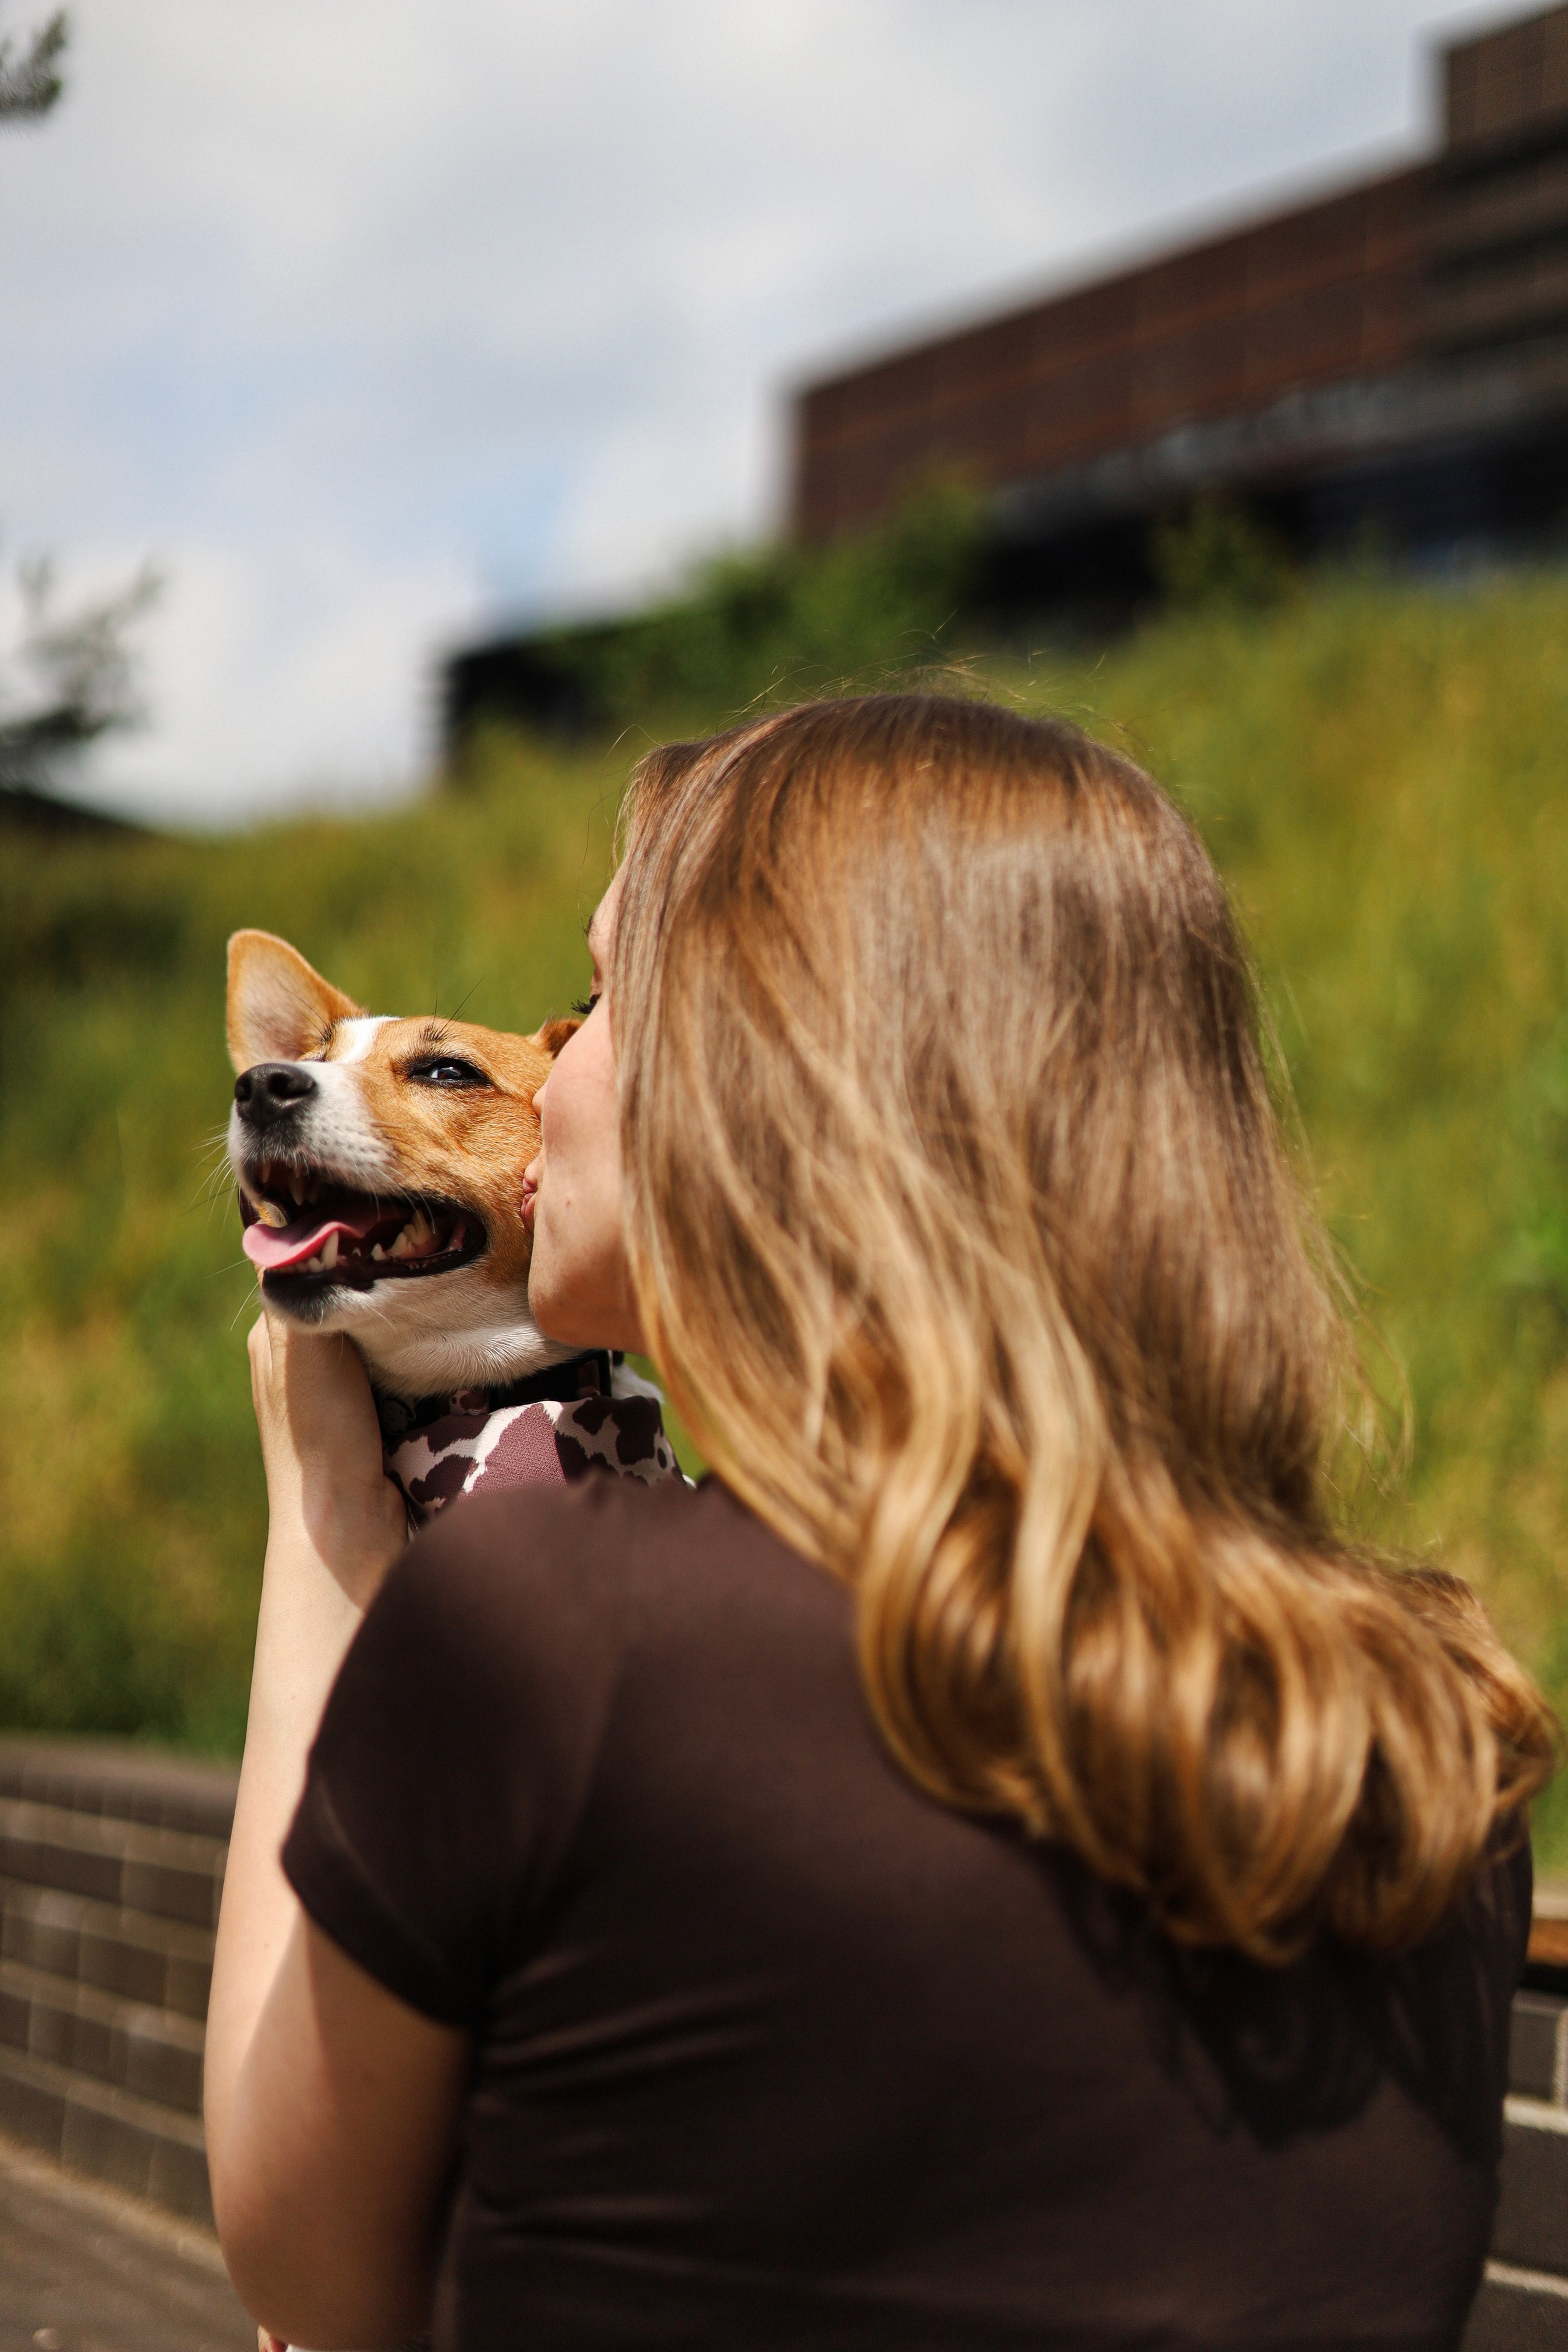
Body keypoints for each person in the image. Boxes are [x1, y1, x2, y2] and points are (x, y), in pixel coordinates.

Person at [204, 693, 1558, 2352]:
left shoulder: (561, 1627)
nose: (558, 1078)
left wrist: (324, 1510)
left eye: (607, 994)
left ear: (773, 1078)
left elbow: (303, 2272)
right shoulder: (1442, 1724)